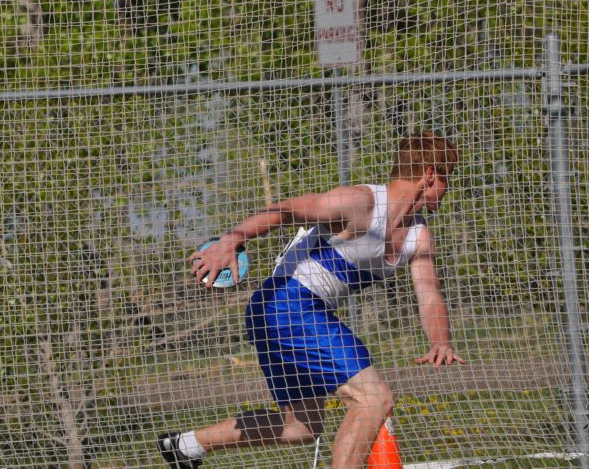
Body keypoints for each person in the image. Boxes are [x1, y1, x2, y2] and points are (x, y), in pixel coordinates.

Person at [157, 131, 466, 469]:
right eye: (447, 179)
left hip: (279, 311)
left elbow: (430, 294)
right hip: (289, 303)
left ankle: (185, 447)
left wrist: (441, 341)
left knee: (301, 427)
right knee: (373, 398)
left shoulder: (418, 235)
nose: (448, 189)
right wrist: (232, 239)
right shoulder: (362, 203)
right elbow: (286, 211)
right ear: (430, 175)